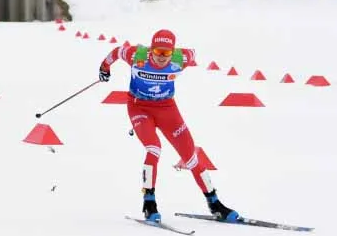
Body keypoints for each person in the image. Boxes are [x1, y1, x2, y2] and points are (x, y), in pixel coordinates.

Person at [98, 29, 241, 224]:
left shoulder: (180, 58)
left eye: (166, 53)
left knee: (191, 156)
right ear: (151, 49)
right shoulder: (137, 55)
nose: (161, 58)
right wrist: (104, 68)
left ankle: (215, 204)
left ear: (172, 52)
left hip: (167, 108)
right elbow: (115, 52)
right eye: (157, 52)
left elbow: (193, 53)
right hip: (139, 107)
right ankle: (149, 202)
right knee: (154, 148)